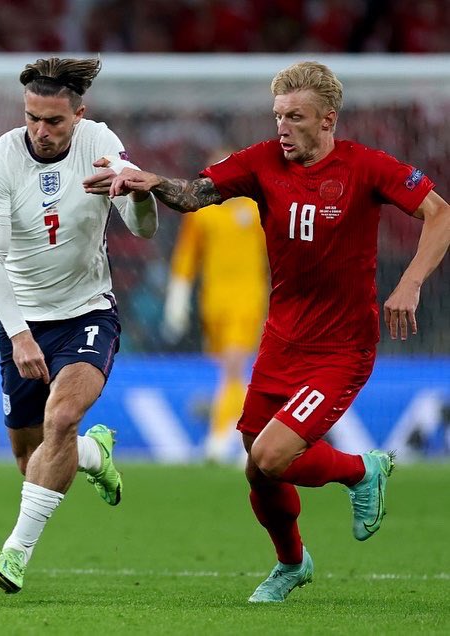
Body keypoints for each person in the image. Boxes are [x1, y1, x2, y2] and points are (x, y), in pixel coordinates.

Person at [88, 61, 450, 602]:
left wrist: (412, 282)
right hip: (281, 340)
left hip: (341, 347)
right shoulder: (261, 162)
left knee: (272, 457)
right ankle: (291, 563)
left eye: (295, 117)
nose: (282, 126)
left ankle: (361, 470)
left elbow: (440, 213)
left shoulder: (367, 167)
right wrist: (155, 182)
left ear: (327, 120)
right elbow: (197, 195)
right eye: (278, 114)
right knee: (257, 470)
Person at [0, 57, 159, 593]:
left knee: (61, 417)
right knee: (30, 456)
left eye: (54, 121)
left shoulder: (100, 141)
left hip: (87, 312)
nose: (41, 130)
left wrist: (138, 194)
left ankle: (14, 555)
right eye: (33, 117)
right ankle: (95, 455)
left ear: (80, 114)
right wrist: (19, 334)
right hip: (23, 322)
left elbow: (142, 231)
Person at [161, 147, 268, 463]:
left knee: (234, 367)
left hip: (248, 297)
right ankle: (249, 437)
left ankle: (221, 437)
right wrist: (177, 300)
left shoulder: (256, 208)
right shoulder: (203, 212)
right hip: (213, 302)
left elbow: (279, 253)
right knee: (230, 371)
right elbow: (186, 257)